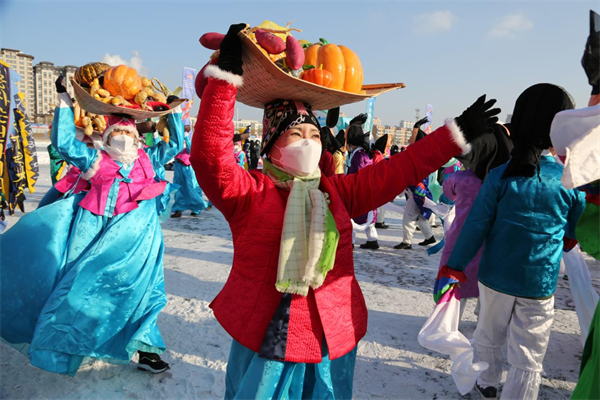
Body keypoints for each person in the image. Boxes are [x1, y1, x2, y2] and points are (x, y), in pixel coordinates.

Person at [190, 23, 499, 399]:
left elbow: (398, 170)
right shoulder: (250, 193)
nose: (309, 145)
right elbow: (210, 158)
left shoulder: (337, 192)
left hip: (329, 332)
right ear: (271, 146)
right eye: (296, 136)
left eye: (315, 136)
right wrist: (224, 82)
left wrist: (454, 135)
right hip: (268, 337)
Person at [0, 76, 183, 376]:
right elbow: (64, 143)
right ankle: (69, 342)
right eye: (117, 133)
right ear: (107, 137)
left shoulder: (148, 160)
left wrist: (173, 113)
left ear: (137, 137)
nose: (123, 138)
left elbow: (175, 143)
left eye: (128, 132)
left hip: (139, 245)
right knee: (79, 290)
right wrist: (64, 99)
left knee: (145, 293)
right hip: (93, 239)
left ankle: (147, 350)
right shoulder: (94, 162)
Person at [439, 83, 585, 399]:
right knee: (529, 350)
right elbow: (576, 229)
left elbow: (475, 227)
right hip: (539, 281)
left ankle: (487, 382)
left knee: (488, 333)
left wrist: (454, 268)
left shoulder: (500, 176)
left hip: (495, 277)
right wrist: (567, 241)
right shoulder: (568, 180)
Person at [438, 123, 513, 318]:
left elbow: (448, 192)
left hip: (461, 237)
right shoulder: (505, 180)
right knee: (487, 286)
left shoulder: (460, 178)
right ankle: (483, 317)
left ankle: (450, 320)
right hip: (493, 239)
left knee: (456, 280)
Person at [346, 115, 380, 250]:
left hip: (359, 190)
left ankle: (350, 242)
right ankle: (372, 240)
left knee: (351, 216)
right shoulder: (363, 153)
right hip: (366, 190)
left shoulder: (359, 155)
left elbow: (360, 174)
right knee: (368, 217)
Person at [171, 134, 209, 218]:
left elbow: (191, 149)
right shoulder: (178, 147)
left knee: (192, 188)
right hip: (178, 168)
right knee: (178, 189)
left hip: (188, 169)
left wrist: (186, 136)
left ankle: (196, 209)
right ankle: (178, 210)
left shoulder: (190, 147)